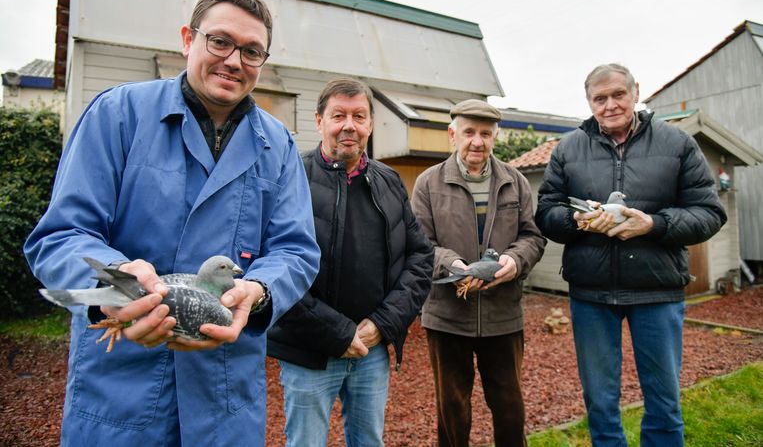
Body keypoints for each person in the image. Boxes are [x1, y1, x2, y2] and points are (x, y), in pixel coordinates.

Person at [24, 0, 320, 446]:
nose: (234, 60)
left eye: (252, 51)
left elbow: (295, 250)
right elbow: (62, 234)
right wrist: (117, 282)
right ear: (188, 39)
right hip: (121, 386)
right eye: (219, 41)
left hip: (225, 395)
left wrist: (258, 291)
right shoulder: (118, 114)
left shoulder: (278, 145)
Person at [535, 63, 727, 446]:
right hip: (591, 293)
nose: (609, 105)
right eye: (599, 98)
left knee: (664, 401)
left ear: (636, 92)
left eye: (617, 94)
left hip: (656, 290)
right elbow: (546, 212)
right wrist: (578, 220)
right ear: (589, 102)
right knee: (601, 402)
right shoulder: (569, 148)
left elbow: (709, 213)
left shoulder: (677, 144)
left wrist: (653, 225)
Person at [267, 77, 434, 447]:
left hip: (371, 351)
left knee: (368, 441)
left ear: (370, 124)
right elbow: (272, 266)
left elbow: (421, 257)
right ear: (319, 121)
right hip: (307, 352)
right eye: (338, 115)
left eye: (359, 116)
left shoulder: (389, 181)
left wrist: (382, 323)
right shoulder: (289, 178)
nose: (349, 125)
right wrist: (338, 334)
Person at [411, 100, 546, 447]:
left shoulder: (515, 181)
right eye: (469, 132)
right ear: (452, 135)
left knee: (509, 406)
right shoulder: (428, 183)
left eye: (486, 134)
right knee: (452, 409)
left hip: (503, 314)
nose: (477, 141)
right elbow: (420, 243)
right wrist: (453, 266)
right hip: (447, 315)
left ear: (495, 138)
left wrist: (515, 262)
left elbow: (532, 236)